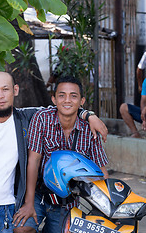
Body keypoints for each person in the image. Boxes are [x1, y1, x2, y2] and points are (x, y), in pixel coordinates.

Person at [0, 72, 108, 233]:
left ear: (15, 90)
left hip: (16, 206)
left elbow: (64, 107)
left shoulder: (24, 119)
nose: (0, 96)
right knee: (22, 228)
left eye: (5, 89)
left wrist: (89, 115)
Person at [13, 76, 109, 233]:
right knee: (21, 229)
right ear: (54, 99)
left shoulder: (89, 129)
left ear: (82, 101)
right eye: (61, 95)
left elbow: (102, 171)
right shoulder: (42, 119)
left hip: (68, 201)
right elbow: (33, 161)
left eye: (73, 96)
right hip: (39, 193)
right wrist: (29, 202)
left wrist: (106, 207)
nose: (67, 101)